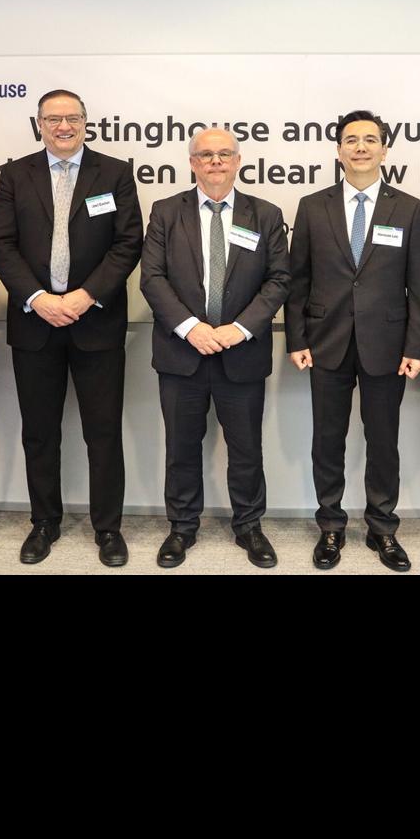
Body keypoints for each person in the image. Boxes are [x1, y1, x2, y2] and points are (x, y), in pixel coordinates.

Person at [0, 88, 143, 567]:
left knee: (103, 433)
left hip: (96, 322)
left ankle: (108, 528)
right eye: (53, 119)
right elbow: (0, 243)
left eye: (72, 117)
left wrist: (84, 295)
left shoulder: (113, 173)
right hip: (35, 324)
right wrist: (38, 299)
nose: (63, 126)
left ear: (85, 122)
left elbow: (127, 242)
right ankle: (44, 523)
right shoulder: (15, 174)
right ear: (39, 124)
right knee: (39, 432)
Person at [284, 110, 420, 571]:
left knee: (383, 440)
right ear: (338, 150)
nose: (361, 147)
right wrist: (296, 338)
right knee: (327, 440)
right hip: (325, 342)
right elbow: (298, 280)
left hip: (387, 345)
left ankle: (382, 528)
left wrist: (417, 347)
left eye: (370, 139)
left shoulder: (408, 208)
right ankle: (330, 525)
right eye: (352, 140)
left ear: (385, 149)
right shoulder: (313, 205)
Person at [140, 128, 290, 568]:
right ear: (192, 163)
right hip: (182, 353)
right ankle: (182, 527)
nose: (216, 162)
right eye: (206, 155)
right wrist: (191, 328)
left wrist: (240, 329)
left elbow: (279, 279)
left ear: (238, 161)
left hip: (241, 353)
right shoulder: (167, 212)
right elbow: (152, 278)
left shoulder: (265, 214)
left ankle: (249, 526)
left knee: (246, 450)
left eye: (224, 154)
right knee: (181, 448)